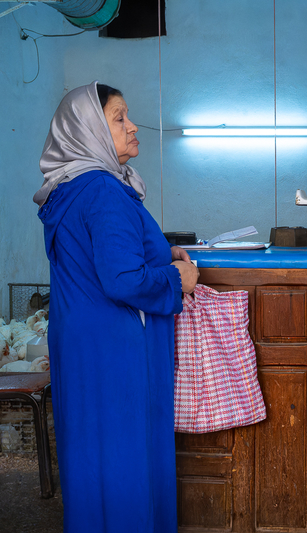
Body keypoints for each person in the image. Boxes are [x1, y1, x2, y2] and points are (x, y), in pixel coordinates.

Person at [34, 82, 199, 531]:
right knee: (127, 456)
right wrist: (176, 278)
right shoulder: (104, 190)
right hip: (116, 349)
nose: (132, 126)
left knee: (91, 453)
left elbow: (98, 255)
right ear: (88, 129)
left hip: (82, 341)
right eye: (119, 117)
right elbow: (122, 279)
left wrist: (161, 252)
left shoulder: (69, 189)